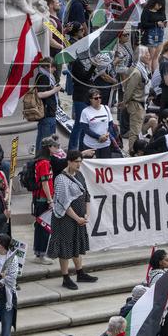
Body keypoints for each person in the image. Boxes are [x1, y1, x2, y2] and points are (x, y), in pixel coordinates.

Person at [48, 151, 96, 290]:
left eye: (80, 161)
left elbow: (86, 194)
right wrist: (77, 218)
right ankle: (65, 277)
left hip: (79, 217)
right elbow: (63, 203)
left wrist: (86, 214)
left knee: (76, 244)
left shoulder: (80, 174)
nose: (79, 164)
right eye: (76, 161)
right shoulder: (61, 179)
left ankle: (80, 272)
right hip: (65, 219)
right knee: (65, 247)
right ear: (69, 161)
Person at [80, 90, 114, 159]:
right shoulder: (85, 111)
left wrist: (107, 135)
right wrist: (98, 137)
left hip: (105, 145)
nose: (98, 99)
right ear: (90, 99)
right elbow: (86, 129)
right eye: (96, 98)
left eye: (100, 97)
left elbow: (110, 124)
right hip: (91, 145)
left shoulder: (106, 108)